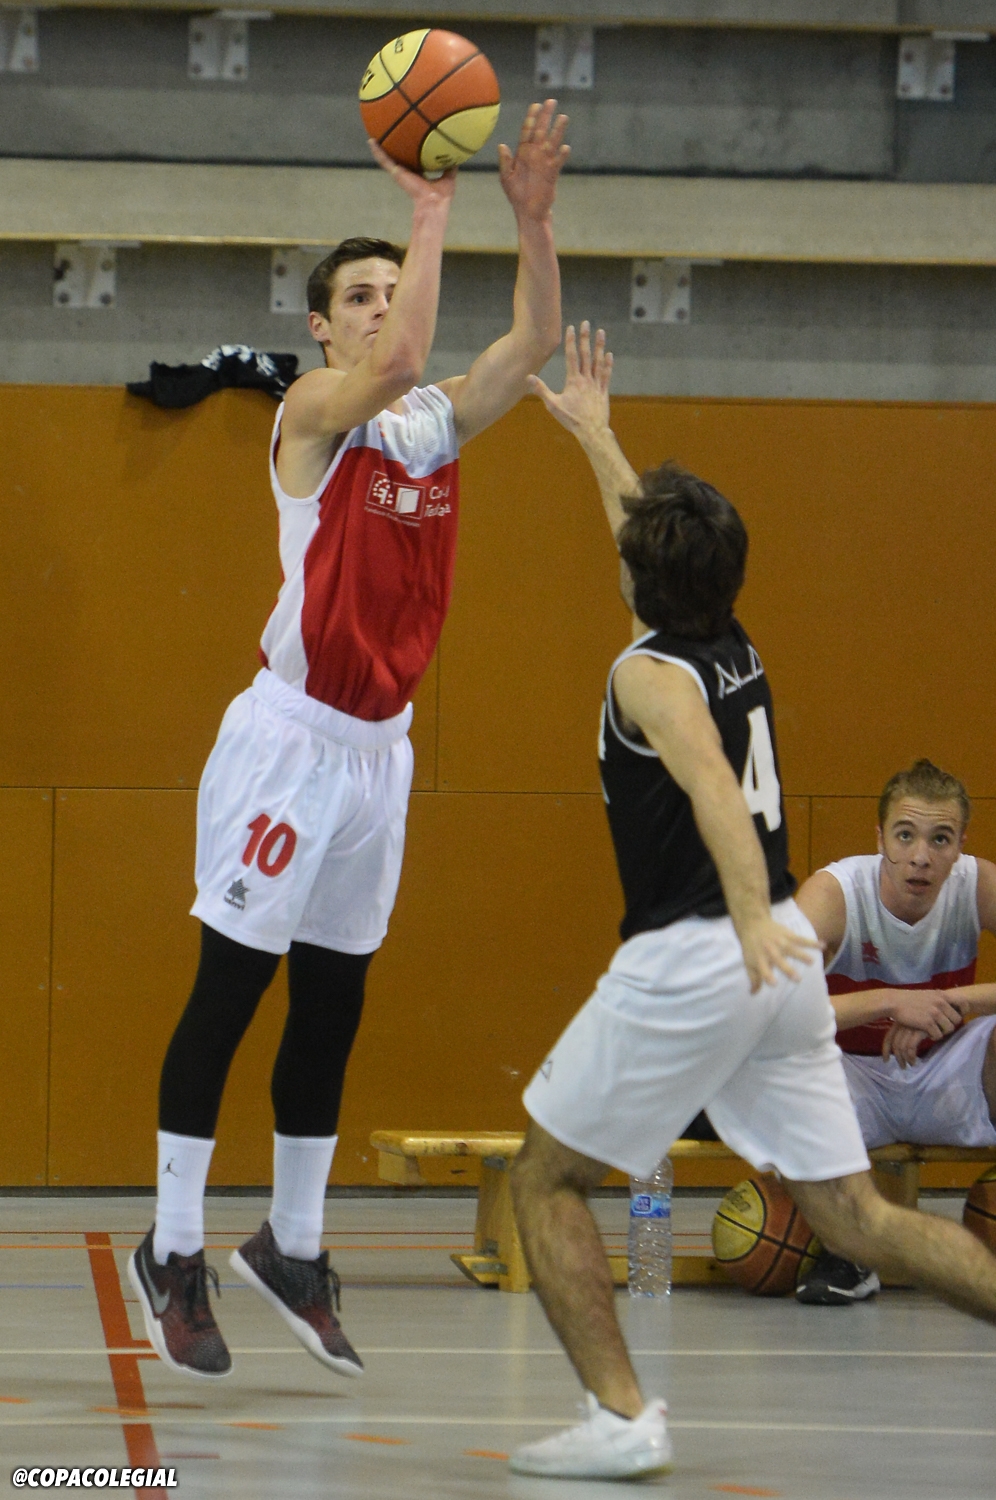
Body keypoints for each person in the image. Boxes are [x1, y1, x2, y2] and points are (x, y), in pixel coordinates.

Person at [506, 322, 996, 1481]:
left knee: (546, 1178)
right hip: (775, 965)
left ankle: (622, 1420)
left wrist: (741, 917)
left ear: (645, 579)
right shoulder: (731, 641)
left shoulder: (647, 677)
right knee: (857, 1219)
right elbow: (645, 548)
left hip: (703, 956)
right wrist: (596, 436)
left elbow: (718, 795)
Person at [128, 102, 570, 1381]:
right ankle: (172, 1247)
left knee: (333, 1002)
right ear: (321, 326)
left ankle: (295, 1244)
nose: (382, 311)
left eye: (392, 289)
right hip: (290, 744)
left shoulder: (432, 423)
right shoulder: (316, 410)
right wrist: (430, 206)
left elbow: (534, 340)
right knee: (229, 993)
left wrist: (532, 223)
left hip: (380, 753)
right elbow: (400, 360)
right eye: (359, 297)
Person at [793, 759, 996, 1306]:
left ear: (960, 847)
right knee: (777, 1051)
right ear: (879, 838)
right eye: (905, 835)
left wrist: (956, 1002)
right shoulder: (835, 893)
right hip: (848, 1078)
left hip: (944, 1073)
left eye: (940, 839)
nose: (921, 856)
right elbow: (770, 1007)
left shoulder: (977, 885)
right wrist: (891, 1001)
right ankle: (849, 1252)